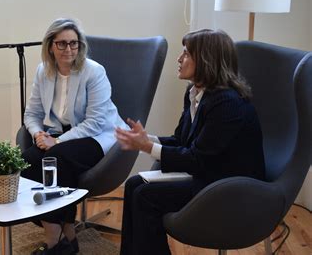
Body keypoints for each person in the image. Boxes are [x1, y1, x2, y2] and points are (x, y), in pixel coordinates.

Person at [115, 29, 266, 255]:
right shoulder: (195, 93)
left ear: (206, 60)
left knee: (146, 197)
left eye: (186, 54)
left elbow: (196, 158)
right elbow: (181, 140)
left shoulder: (227, 103)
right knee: (134, 185)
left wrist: (147, 147)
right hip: (207, 174)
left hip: (228, 187)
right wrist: (147, 140)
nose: (179, 58)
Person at [21, 18, 128, 255]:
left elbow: (96, 122)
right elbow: (32, 113)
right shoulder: (43, 71)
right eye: (61, 44)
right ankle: (66, 232)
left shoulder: (94, 71)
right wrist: (38, 133)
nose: (68, 49)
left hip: (100, 135)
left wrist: (56, 141)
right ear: (50, 46)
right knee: (28, 161)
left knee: (57, 158)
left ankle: (53, 238)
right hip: (61, 134)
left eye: (74, 43)